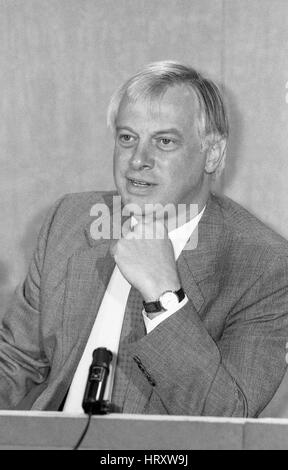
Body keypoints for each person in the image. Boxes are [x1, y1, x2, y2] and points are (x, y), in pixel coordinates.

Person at [0, 61, 288, 417]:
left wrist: (165, 297)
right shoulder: (71, 220)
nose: (138, 159)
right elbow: (15, 362)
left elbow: (229, 417)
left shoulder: (263, 264)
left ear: (212, 155)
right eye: (127, 138)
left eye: (164, 141)